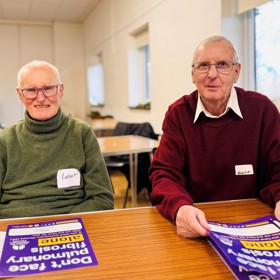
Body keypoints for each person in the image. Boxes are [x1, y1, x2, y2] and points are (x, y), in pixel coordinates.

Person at [149, 35, 280, 238]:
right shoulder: (178, 115)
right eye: (203, 66)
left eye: (222, 65)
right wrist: (180, 208)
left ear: (236, 72)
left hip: (256, 223)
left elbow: (278, 173)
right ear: (193, 74)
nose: (212, 74)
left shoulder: (263, 111)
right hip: (198, 224)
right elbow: (164, 174)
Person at [0, 60, 114, 219]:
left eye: (48, 88)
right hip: (14, 228)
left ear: (61, 90)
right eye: (31, 90)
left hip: (73, 226)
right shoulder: (5, 140)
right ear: (20, 94)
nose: (40, 98)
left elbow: (103, 198)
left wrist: (63, 225)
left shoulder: (81, 133)